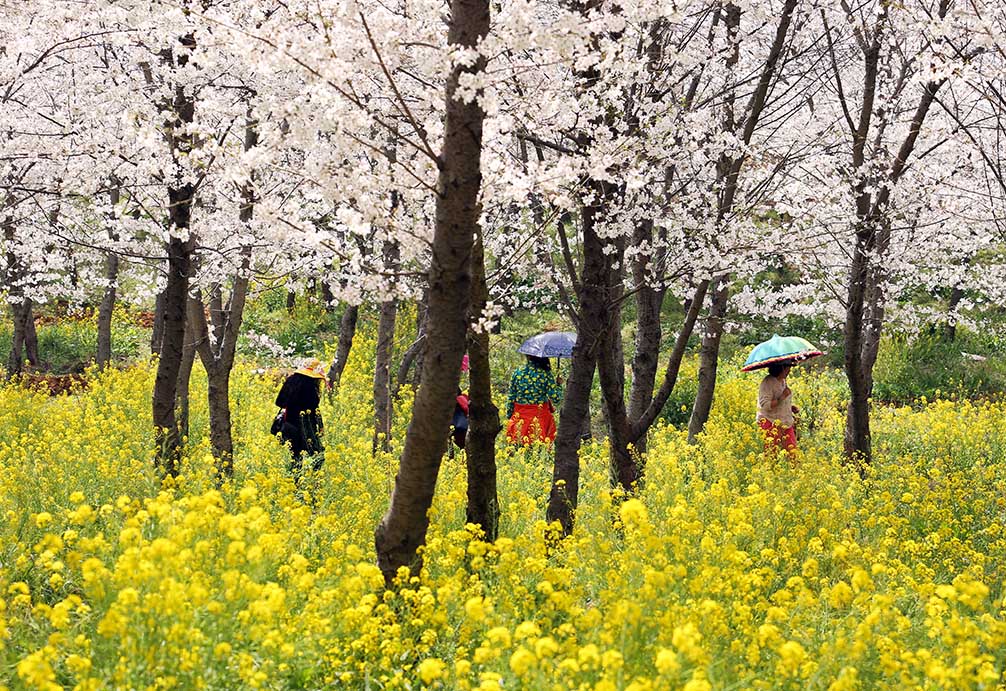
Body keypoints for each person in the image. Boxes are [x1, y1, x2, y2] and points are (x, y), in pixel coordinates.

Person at [274, 357, 326, 478]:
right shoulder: (311, 387)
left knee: (296, 458)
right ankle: (315, 484)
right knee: (318, 456)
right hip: (307, 427)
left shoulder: (291, 381)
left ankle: (294, 486)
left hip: (289, 424)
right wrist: (320, 427)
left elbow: (279, 402)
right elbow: (314, 410)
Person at [506, 355, 563, 444]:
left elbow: (511, 397)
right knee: (540, 449)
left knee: (518, 448)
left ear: (528, 356)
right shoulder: (545, 374)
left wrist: (510, 416)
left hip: (520, 417)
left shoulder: (517, 372)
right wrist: (558, 386)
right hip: (541, 419)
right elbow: (556, 398)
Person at [757, 361, 799, 455]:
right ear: (782, 368)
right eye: (788, 367)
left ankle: (794, 469)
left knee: (793, 454)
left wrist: (790, 407)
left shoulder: (783, 381)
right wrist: (782, 397)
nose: (789, 370)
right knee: (771, 454)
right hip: (770, 421)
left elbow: (780, 402)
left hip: (785, 422)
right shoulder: (768, 382)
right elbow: (765, 405)